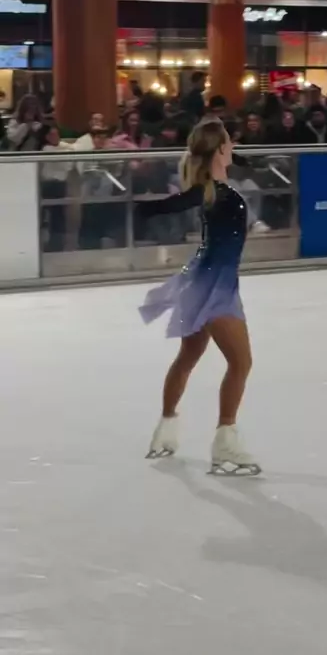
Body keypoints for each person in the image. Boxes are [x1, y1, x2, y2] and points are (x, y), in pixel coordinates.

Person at [138, 117, 260, 475]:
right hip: (214, 288)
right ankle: (225, 442)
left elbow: (238, 161)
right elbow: (167, 205)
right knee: (241, 362)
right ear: (219, 148)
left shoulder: (214, 187)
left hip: (206, 282)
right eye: (229, 142)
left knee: (189, 357)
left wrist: (236, 155)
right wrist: (138, 209)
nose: (233, 145)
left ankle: (166, 428)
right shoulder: (210, 191)